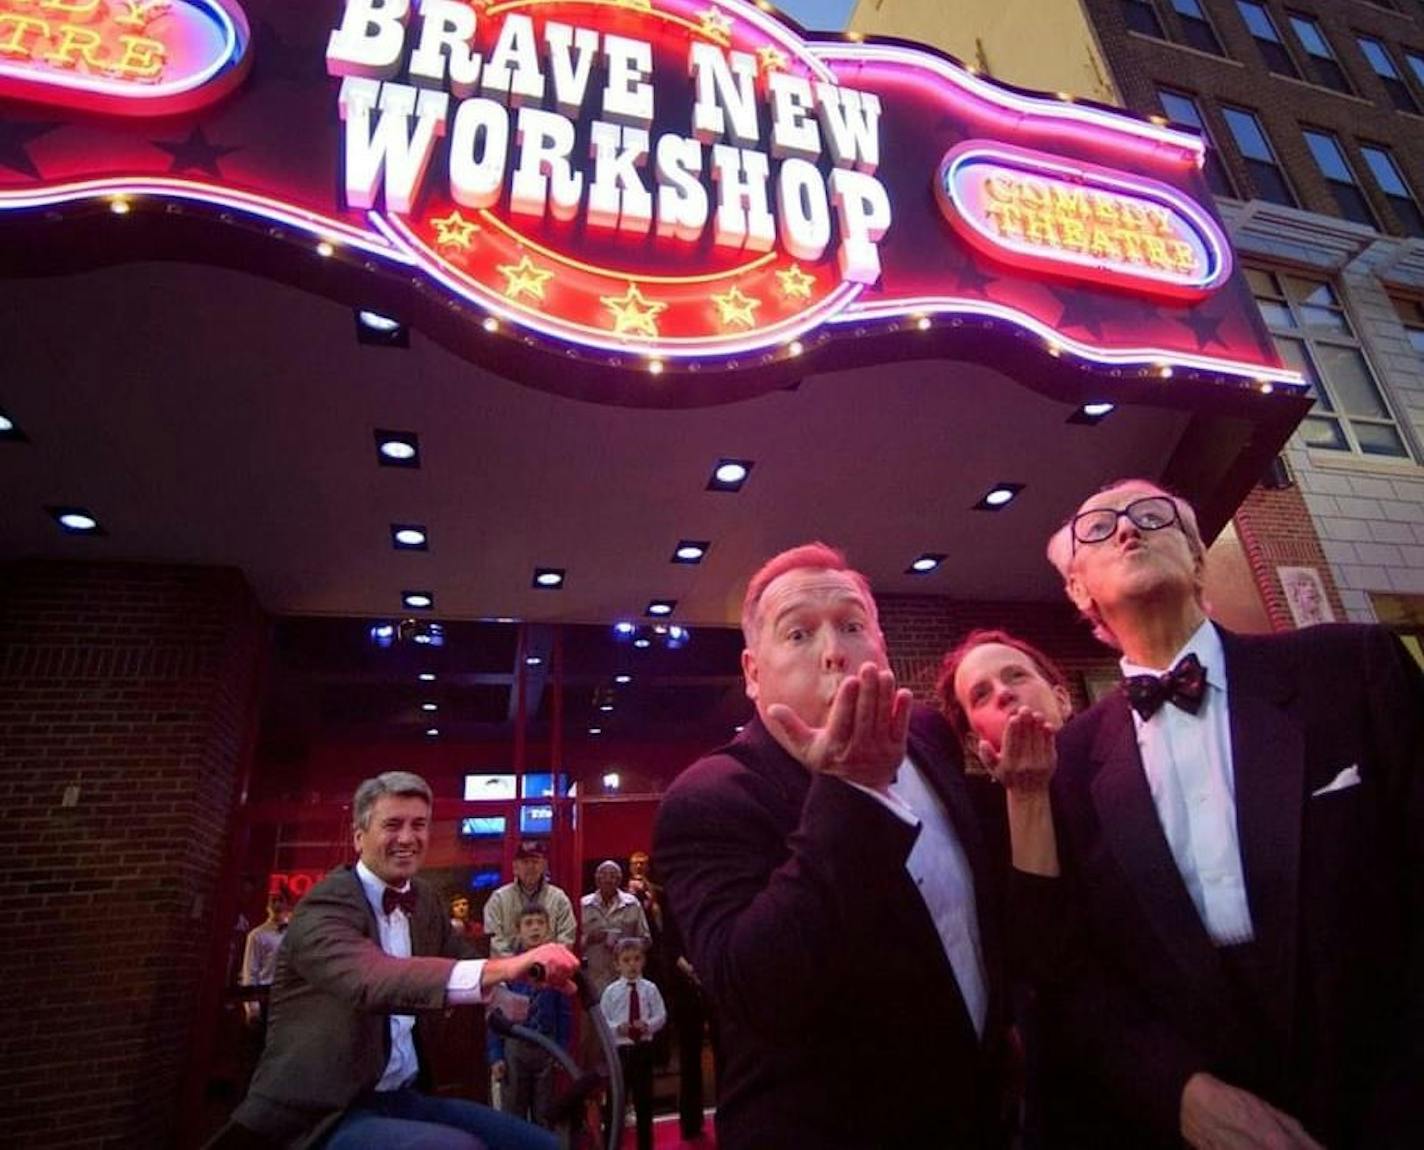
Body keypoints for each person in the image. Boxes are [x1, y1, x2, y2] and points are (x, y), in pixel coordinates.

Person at [1043, 478, 1424, 1149]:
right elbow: (1080, 968)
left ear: (1196, 558)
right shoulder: (1071, 760)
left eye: (1152, 516)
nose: (1128, 529)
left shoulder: (1350, 667)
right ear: (1079, 591)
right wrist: (1179, 1092)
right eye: (1099, 529)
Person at [652, 542, 1023, 1150]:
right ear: (752, 672)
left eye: (852, 626)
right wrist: (852, 791)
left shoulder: (925, 733)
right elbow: (756, 991)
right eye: (798, 635)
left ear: (881, 644)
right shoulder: (709, 799)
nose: (833, 653)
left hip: (985, 1114)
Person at [222, 771, 580, 1150]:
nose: (408, 838)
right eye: (392, 824)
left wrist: (502, 992)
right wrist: (508, 966)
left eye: (419, 825)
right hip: (324, 1111)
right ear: (358, 837)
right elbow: (374, 978)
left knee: (542, 1145)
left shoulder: (424, 900)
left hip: (402, 1097)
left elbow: (458, 955)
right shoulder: (325, 904)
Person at [487, 906, 572, 1131]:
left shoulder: (555, 970)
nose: (535, 928)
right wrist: (496, 1056)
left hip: (546, 1046)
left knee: (544, 1112)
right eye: (528, 923)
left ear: (548, 928)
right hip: (515, 1048)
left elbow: (564, 1014)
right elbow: (496, 1016)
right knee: (513, 1112)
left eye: (539, 923)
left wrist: (561, 1049)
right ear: (518, 930)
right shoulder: (509, 969)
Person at [599, 938, 667, 1150]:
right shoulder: (611, 992)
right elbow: (602, 1020)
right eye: (626, 960)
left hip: (642, 1050)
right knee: (616, 1101)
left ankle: (645, 1145)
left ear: (643, 961)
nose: (632, 965)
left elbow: (661, 1015)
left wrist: (648, 1025)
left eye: (636, 959)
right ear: (617, 964)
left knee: (644, 1101)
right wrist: (617, 1027)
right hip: (621, 1051)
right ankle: (612, 1144)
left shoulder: (650, 989)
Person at [483, 841, 576, 957]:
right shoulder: (498, 899)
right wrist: (518, 966)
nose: (530, 867)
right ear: (515, 867)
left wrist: (545, 963)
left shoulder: (559, 898)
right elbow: (494, 940)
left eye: (535, 862)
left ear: (544, 866)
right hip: (509, 970)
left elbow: (566, 939)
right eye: (525, 862)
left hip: (549, 969)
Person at [579, 860, 650, 997]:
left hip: (625, 977)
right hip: (592, 977)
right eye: (603, 875)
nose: (608, 879)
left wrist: (626, 945)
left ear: (619, 880)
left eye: (613, 876)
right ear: (596, 879)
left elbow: (646, 940)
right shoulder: (583, 905)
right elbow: (572, 944)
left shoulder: (632, 904)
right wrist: (590, 938)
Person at [240, 884, 294, 1028]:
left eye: (280, 900)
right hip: (265, 997)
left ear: (288, 904)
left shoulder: (296, 932)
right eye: (273, 900)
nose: (276, 905)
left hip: (290, 998)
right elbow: (250, 971)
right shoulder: (257, 935)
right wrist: (252, 1008)